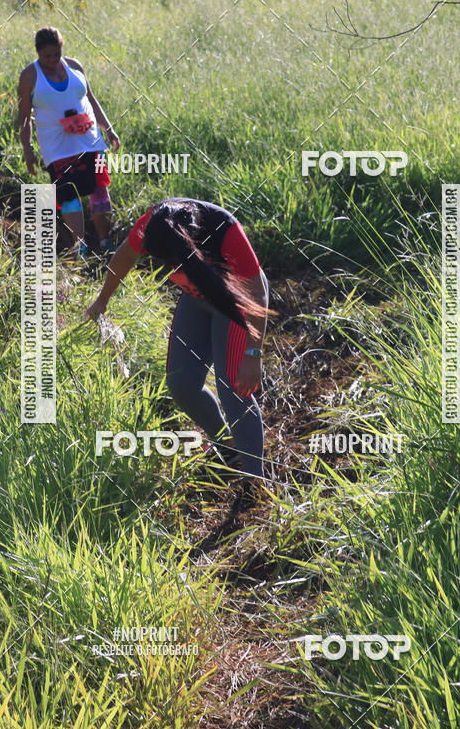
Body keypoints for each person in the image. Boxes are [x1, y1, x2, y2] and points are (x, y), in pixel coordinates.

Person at [84, 198, 271, 492]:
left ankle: (255, 483)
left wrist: (253, 354)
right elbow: (125, 256)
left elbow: (258, 293)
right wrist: (102, 300)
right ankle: (228, 447)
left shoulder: (224, 229)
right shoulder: (154, 223)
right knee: (181, 385)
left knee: (234, 388)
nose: (169, 267)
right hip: (197, 301)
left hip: (237, 303)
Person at [18, 26, 120, 257]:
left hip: (90, 141)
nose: (52, 60)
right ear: (38, 52)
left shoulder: (74, 66)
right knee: (68, 195)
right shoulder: (30, 76)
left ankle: (105, 243)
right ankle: (79, 247)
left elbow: (91, 100)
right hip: (57, 148)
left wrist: (108, 129)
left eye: (56, 54)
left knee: (100, 189)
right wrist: (28, 150)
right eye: (47, 56)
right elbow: (23, 117)